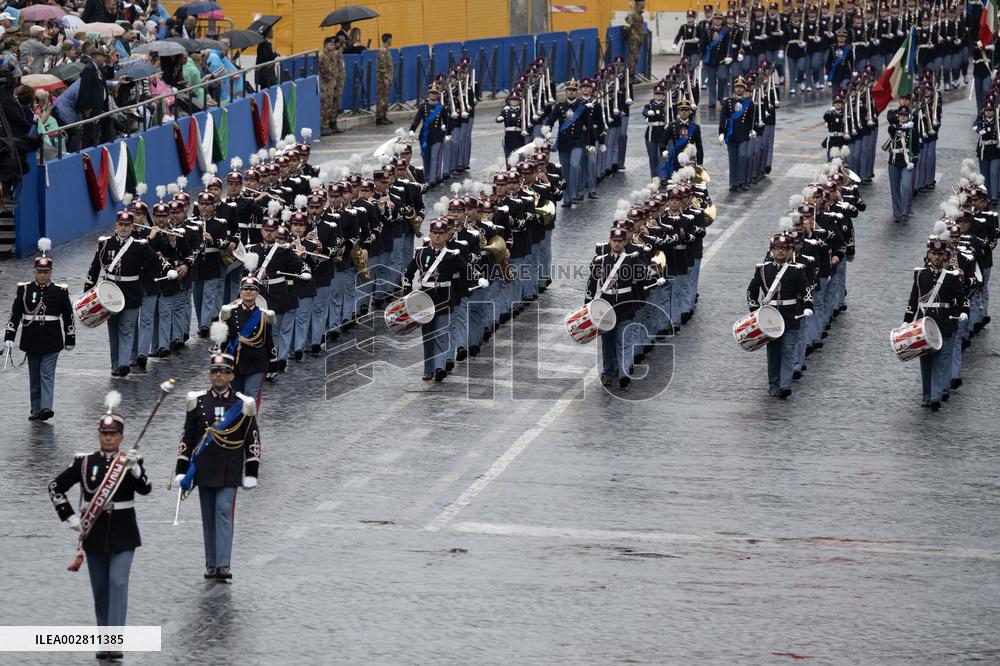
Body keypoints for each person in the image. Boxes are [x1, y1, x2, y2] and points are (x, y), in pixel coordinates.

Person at [48, 393, 151, 660]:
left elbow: (146, 489)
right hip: (93, 533)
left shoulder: (130, 461)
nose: (108, 438)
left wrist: (136, 470)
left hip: (124, 532)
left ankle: (115, 642)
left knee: (118, 582)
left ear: (121, 435)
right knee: (101, 590)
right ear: (99, 435)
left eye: (113, 434)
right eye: (104, 434)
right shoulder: (84, 462)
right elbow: (55, 487)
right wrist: (69, 517)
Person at [174, 351, 261, 581]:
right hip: (204, 466)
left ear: (232, 376)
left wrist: (251, 471)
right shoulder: (198, 402)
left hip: (230, 466)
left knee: (223, 510)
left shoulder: (243, 404)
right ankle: (211, 563)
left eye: (223, 372)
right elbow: (187, 437)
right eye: (214, 371)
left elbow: (252, 439)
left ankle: (223, 563)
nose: (218, 376)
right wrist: (181, 470)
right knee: (208, 516)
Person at [4, 240, 75, 421]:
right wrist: (9, 335)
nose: (43, 275)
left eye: (46, 272)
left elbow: (68, 315)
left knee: (46, 374)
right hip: (31, 337)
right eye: (40, 272)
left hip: (52, 339)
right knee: (34, 376)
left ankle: (46, 408)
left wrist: (70, 337)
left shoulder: (60, 291)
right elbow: (15, 314)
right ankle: (35, 409)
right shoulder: (25, 290)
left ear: (51, 272)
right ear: (35, 271)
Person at [84, 210, 160, 377]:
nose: (124, 228)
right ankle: (115, 364)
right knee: (113, 328)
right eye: (121, 225)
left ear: (133, 226)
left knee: (127, 328)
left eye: (127, 225)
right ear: (116, 225)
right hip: (109, 292)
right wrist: (88, 291)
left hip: (131, 291)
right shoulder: (105, 244)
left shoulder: (140, 245)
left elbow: (154, 262)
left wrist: (144, 278)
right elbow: (95, 266)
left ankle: (124, 364)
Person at [903, 238, 968, 411]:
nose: (937, 258)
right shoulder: (920, 274)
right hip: (923, 324)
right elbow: (913, 299)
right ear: (928, 255)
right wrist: (906, 320)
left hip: (945, 323)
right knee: (926, 361)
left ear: (944, 255)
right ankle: (926, 395)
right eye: (934, 254)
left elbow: (960, 298)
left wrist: (959, 313)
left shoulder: (952, 276)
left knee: (941, 361)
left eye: (940, 254)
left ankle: (935, 396)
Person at [746, 233, 813, 399]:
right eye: (777, 249)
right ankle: (773, 385)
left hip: (791, 316)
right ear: (771, 251)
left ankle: (785, 385)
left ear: (790, 252)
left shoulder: (796, 270)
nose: (781, 252)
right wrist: (755, 311)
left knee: (788, 350)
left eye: (784, 249)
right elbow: (751, 291)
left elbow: (806, 291)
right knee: (774, 352)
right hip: (769, 317)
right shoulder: (762, 269)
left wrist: (808, 307)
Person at [402, 218, 468, 381]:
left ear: (446, 235)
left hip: (445, 297)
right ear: (430, 234)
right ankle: (428, 369)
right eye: (435, 233)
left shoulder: (453, 255)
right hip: (425, 298)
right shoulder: (421, 253)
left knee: (442, 333)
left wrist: (477, 280)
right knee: (428, 335)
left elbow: (467, 270)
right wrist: (407, 295)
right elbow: (408, 274)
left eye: (441, 233)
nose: (438, 236)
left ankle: (439, 367)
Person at [586, 227, 647, 389]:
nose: (617, 244)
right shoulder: (601, 260)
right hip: (605, 307)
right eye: (614, 241)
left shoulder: (632, 259)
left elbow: (643, 277)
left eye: (620, 241)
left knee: (624, 341)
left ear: (625, 242)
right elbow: (592, 284)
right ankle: (607, 373)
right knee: (607, 342)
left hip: (625, 305)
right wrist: (587, 305)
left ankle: (623, 373)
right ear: (610, 241)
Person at [410, 82, 451, 188]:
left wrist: (447, 132)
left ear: (438, 95)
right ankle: (427, 176)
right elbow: (417, 119)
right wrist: (412, 129)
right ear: (429, 94)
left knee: (434, 157)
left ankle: (433, 179)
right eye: (431, 93)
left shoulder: (441, 108)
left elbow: (447, 121)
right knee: (426, 157)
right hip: (425, 136)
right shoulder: (423, 106)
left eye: (435, 93)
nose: (433, 95)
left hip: (437, 136)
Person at [718, 76, 755, 192]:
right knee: (733, 159)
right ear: (734, 88)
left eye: (741, 87)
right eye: (737, 87)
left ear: (744, 89)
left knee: (743, 156)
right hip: (731, 134)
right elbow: (723, 118)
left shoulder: (749, 103)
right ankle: (733, 183)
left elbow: (752, 120)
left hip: (744, 134)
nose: (739, 89)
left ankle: (742, 181)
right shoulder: (728, 102)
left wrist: (752, 130)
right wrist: (721, 133)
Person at [318, 36, 344, 136]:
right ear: (325, 45)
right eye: (330, 44)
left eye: (333, 45)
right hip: (324, 84)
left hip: (331, 84)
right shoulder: (321, 55)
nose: (333, 47)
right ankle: (323, 126)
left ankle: (328, 124)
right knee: (324, 105)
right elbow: (317, 68)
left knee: (329, 105)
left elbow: (335, 69)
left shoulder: (332, 56)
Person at [624, 0, 647, 79]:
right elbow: (626, 26)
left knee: (635, 58)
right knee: (633, 58)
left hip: (638, 40)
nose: (644, 4)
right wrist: (628, 37)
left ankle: (632, 75)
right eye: (643, 2)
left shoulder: (639, 15)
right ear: (638, 3)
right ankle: (629, 76)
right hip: (634, 40)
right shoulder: (633, 14)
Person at [375, 33, 393, 125]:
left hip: (387, 78)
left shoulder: (386, 50)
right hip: (382, 79)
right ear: (388, 40)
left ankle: (384, 116)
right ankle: (379, 117)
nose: (391, 41)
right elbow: (382, 66)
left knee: (385, 98)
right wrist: (386, 77)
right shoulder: (382, 51)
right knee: (381, 97)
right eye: (390, 39)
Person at [256, 27, 278, 91]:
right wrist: (275, 54)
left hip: (268, 73)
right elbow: (266, 57)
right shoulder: (264, 44)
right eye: (271, 31)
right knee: (267, 90)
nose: (273, 33)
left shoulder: (266, 43)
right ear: (268, 33)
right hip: (265, 74)